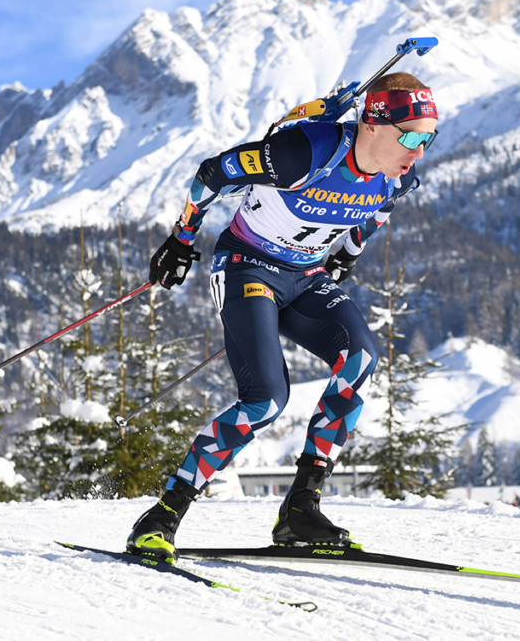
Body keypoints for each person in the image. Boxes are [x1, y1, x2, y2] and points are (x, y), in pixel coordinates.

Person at [127, 71, 440, 558]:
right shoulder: (305, 152)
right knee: (265, 400)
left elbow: (379, 212)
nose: (419, 151)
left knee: (359, 359)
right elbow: (213, 173)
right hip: (247, 266)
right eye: (413, 137)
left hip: (306, 275)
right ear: (373, 125)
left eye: (430, 137)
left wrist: (348, 253)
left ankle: (300, 510)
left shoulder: (399, 176)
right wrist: (181, 238)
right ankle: (163, 515)